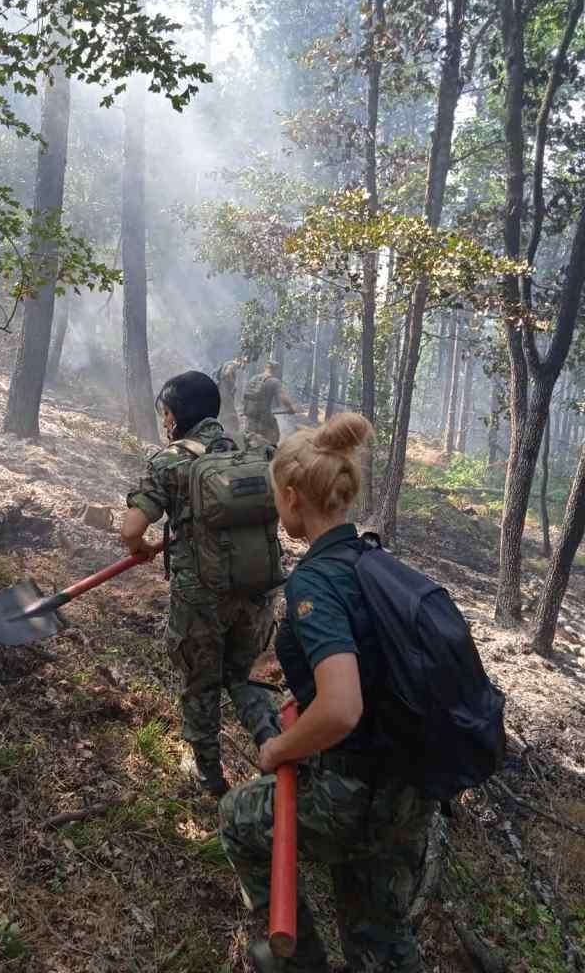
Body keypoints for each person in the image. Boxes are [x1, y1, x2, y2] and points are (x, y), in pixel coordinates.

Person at [219, 413, 436, 973]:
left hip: (354, 790)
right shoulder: (375, 561)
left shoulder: (315, 581)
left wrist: (278, 751)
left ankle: (299, 963)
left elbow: (342, 707)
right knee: (378, 936)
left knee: (239, 819)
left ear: (291, 498)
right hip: (410, 788)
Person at [120, 371, 281, 798]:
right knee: (244, 676)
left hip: (201, 600)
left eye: (164, 414)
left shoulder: (170, 460)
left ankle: (209, 778)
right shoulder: (257, 450)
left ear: (172, 416)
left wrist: (139, 547)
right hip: (258, 590)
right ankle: (275, 746)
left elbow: (131, 527)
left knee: (201, 683)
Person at [243, 360, 296, 445]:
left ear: (265, 367)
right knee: (273, 440)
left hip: (250, 416)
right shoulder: (274, 381)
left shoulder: (253, 378)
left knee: (250, 441)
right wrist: (291, 408)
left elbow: (245, 396)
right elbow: (283, 398)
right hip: (264, 418)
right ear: (276, 370)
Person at [215, 358, 242, 432]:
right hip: (225, 392)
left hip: (221, 391)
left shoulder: (226, 363)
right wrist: (233, 385)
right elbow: (227, 373)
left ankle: (221, 428)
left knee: (222, 411)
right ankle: (231, 430)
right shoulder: (233, 365)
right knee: (230, 411)